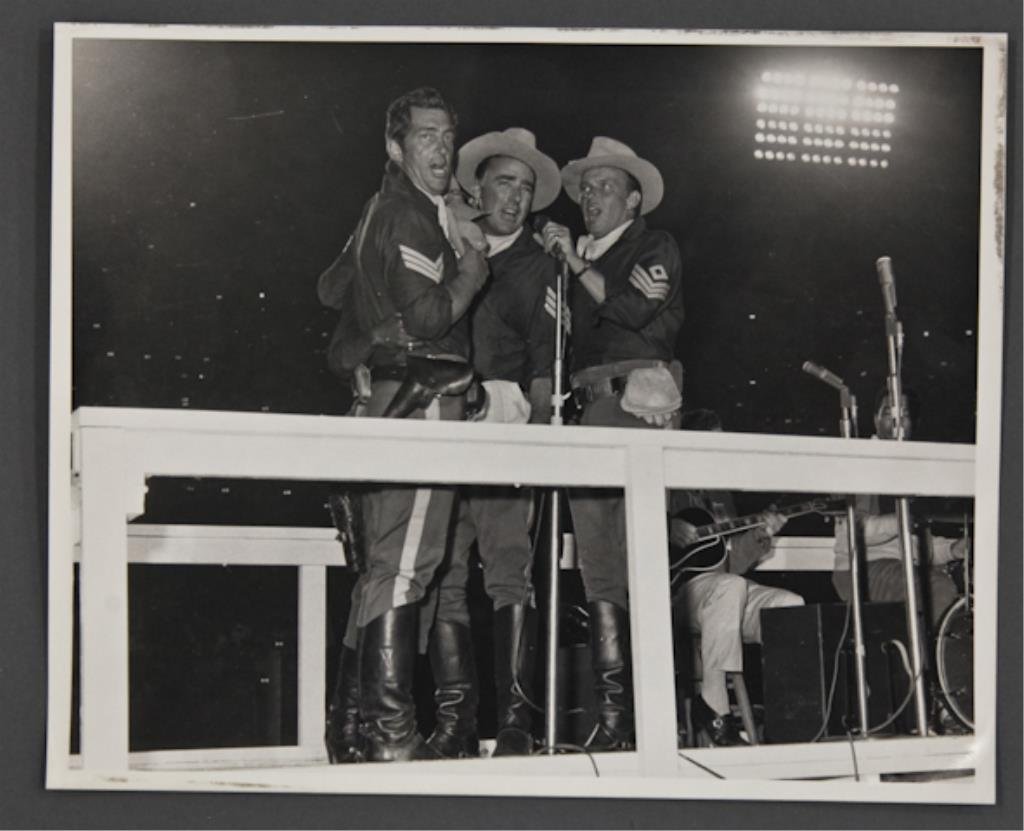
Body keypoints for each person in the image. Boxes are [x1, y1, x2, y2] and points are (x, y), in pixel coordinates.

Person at [333, 86, 489, 763]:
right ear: (396, 147)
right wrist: (473, 273)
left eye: (447, 134)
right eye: (426, 135)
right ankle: (393, 739)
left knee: (381, 568)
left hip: (388, 398)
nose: (441, 147)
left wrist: (365, 352)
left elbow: (337, 307)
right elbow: (429, 319)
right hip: (424, 396)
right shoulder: (409, 214)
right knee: (406, 569)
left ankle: (351, 732)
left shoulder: (379, 211)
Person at [540, 136, 684, 750]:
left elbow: (628, 311)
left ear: (632, 199)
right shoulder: (574, 259)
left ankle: (662, 718)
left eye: (603, 187)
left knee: (642, 562)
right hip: (586, 407)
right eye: (584, 188)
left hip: (635, 406)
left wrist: (574, 264)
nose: (589, 197)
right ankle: (618, 720)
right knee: (598, 568)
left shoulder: (653, 246)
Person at [421, 127, 562, 757]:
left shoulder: (541, 266)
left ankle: (515, 723)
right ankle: (454, 723)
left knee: (508, 574)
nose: (515, 195)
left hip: (505, 429)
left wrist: (530, 445)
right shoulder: (449, 245)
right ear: (477, 187)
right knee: (444, 575)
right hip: (445, 429)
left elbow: (545, 368)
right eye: (504, 180)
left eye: (527, 187)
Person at [668, 409, 804, 746]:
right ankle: (715, 710)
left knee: (789, 604)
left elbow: (729, 563)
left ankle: (789, 717)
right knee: (729, 587)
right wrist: (665, 525)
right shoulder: (664, 484)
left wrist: (760, 535)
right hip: (676, 597)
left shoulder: (721, 497)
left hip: (722, 594)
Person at [832, 390, 965, 627]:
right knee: (936, 588)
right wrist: (901, 519)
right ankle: (921, 664)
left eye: (904, 414)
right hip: (864, 569)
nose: (897, 420)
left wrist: (953, 549)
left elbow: (916, 546)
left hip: (901, 566)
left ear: (912, 423)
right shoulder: (862, 461)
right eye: (888, 412)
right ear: (875, 420)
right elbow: (855, 532)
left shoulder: (910, 470)